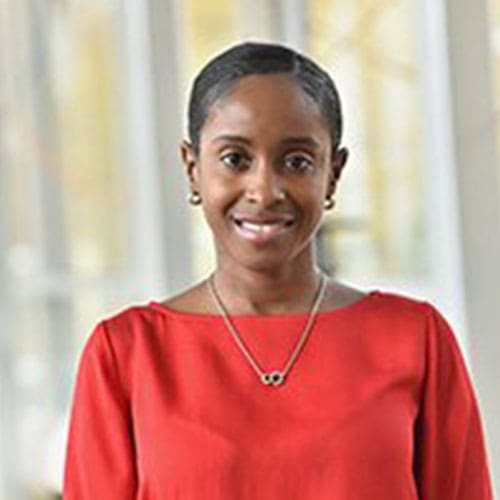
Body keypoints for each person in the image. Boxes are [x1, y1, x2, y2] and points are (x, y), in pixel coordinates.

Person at [63, 42, 494, 499]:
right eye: (235, 158)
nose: (264, 190)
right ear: (192, 168)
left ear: (333, 173)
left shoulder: (415, 340)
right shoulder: (126, 355)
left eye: (297, 162)